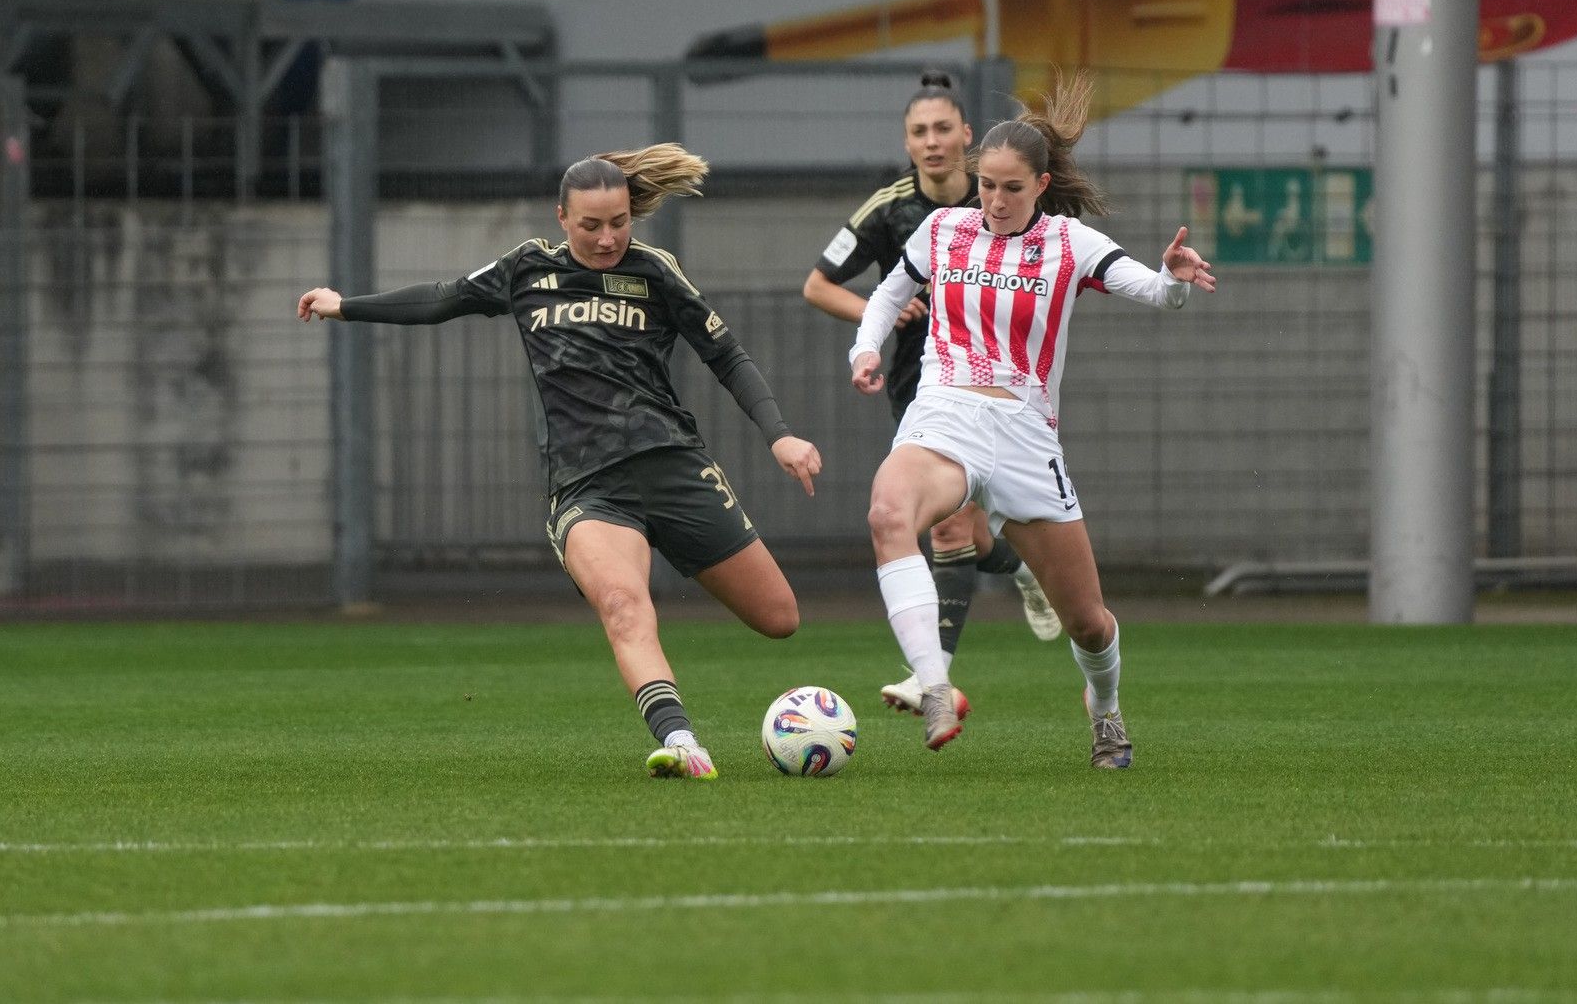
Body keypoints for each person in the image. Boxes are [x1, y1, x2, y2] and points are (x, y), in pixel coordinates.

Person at [299, 145, 822, 781]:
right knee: (625, 605)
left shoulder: (654, 271)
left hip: (673, 466)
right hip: (588, 485)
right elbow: (442, 298)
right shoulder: (526, 268)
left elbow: (728, 356)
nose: (607, 238)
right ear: (561, 218)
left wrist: (780, 436)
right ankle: (683, 743)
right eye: (591, 225)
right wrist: (345, 305)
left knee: (779, 618)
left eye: (620, 222)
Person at [848, 72, 1217, 767]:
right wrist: (866, 347)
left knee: (1087, 619)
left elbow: (1153, 290)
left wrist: (1173, 277)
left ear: (1041, 185)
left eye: (1011, 187)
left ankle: (1104, 710)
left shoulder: (1069, 243)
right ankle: (933, 684)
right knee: (887, 513)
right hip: (945, 415)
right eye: (985, 184)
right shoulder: (942, 229)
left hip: (1022, 434)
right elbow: (884, 296)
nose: (994, 200)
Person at [802, 70, 1062, 723]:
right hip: (922, 388)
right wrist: (880, 315)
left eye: (943, 127)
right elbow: (817, 285)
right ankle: (1023, 576)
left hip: (1002, 389)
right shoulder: (890, 208)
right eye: (919, 131)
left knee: (955, 528)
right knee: (963, 532)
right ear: (908, 141)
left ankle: (933, 677)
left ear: (966, 135)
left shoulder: (1003, 199)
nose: (932, 140)